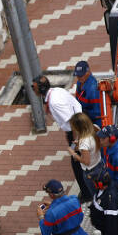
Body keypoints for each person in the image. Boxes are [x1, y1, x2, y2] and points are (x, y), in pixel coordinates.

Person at [32, 75, 86, 203]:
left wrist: (75, 141)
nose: (32, 90)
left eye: (33, 87)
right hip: (78, 126)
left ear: (41, 88)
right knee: (79, 162)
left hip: (77, 130)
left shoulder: (54, 102)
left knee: (77, 163)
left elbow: (73, 122)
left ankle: (87, 193)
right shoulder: (56, 92)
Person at [68, 112, 100, 201]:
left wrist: (73, 154)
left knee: (95, 194)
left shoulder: (84, 142)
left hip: (90, 171)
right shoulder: (95, 128)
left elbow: (86, 161)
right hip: (99, 163)